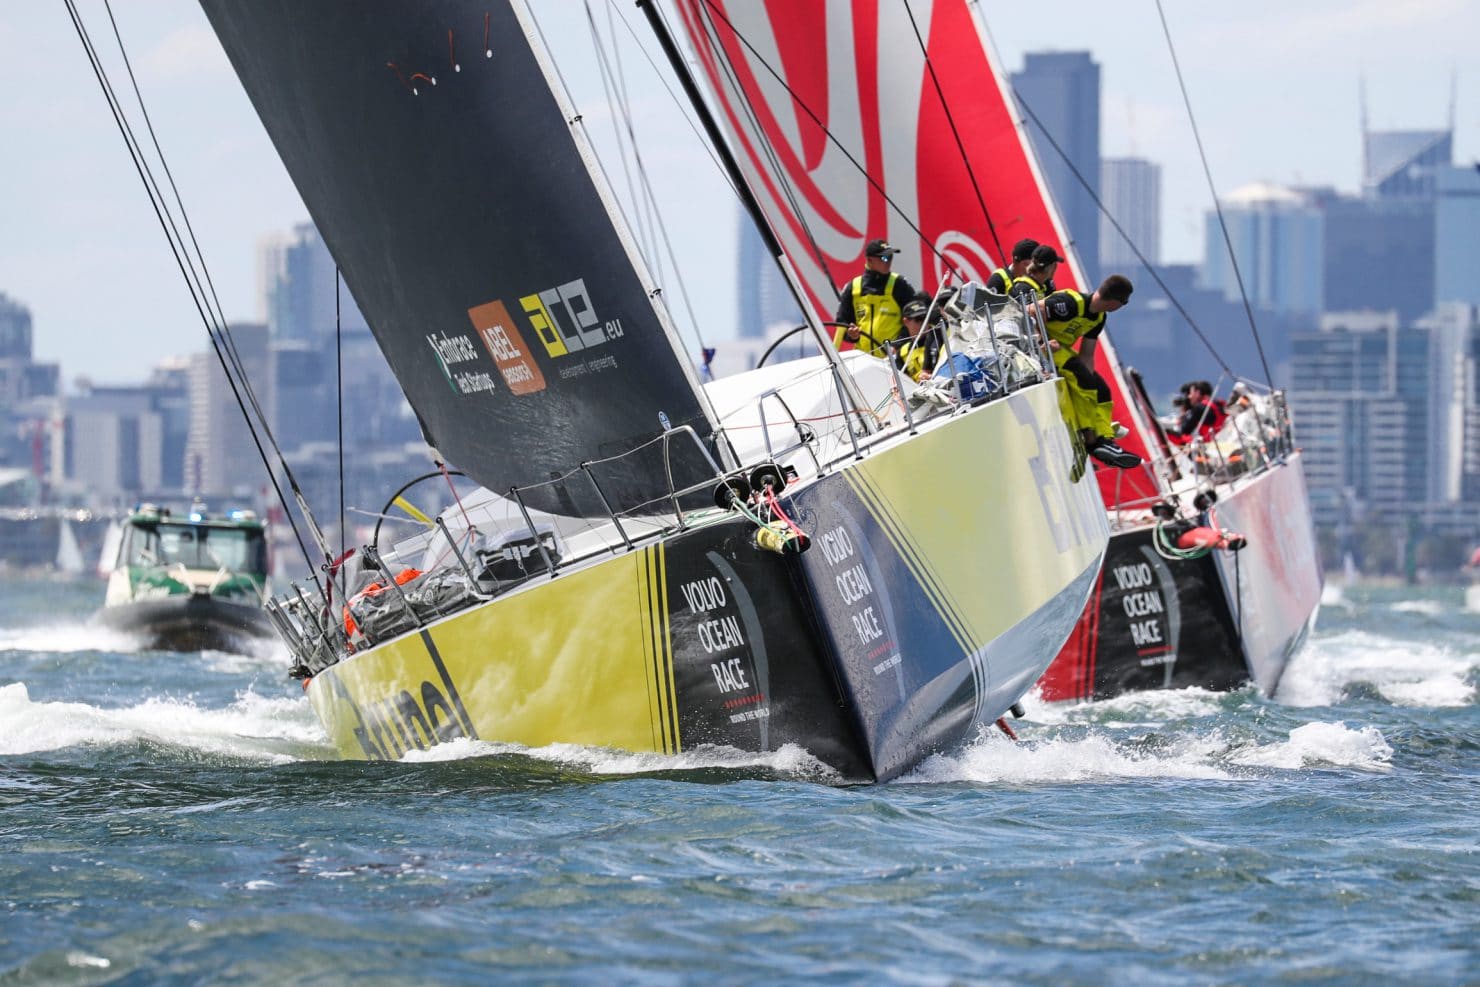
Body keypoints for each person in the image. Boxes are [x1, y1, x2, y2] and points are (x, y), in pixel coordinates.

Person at [1039, 274, 1139, 468]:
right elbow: (1033, 309)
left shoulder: (1099, 318)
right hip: (1043, 349)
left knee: (1100, 390)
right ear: (1114, 302)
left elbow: (1087, 354)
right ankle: (1091, 441)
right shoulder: (1071, 303)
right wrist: (1040, 339)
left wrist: (1090, 379)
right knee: (1083, 381)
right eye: (1124, 303)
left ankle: (1105, 439)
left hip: (1061, 350)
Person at [834, 238, 918, 357]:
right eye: (884, 258)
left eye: (890, 257)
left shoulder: (899, 284)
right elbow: (842, 324)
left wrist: (897, 345)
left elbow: (915, 320)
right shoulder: (853, 288)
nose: (888, 262)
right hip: (864, 360)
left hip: (895, 360)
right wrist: (851, 335)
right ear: (869, 260)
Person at [895, 295, 942, 381]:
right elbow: (901, 381)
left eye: (925, 318)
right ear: (906, 321)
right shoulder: (902, 353)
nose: (923, 323)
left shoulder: (938, 339)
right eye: (918, 319)